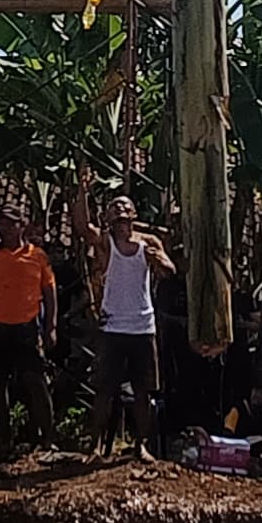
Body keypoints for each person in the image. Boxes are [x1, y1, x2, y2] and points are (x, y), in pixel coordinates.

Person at [0, 205, 58, 458]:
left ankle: (46, 438)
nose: (5, 227)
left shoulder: (37, 256)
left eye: (11, 222)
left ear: (22, 225)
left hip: (26, 326)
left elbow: (50, 293)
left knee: (35, 382)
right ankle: (4, 439)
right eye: (1, 223)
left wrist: (51, 326)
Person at [87, 193, 174, 457]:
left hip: (142, 326)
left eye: (126, 206)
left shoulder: (149, 242)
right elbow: (82, 227)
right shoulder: (105, 243)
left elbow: (170, 270)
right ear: (109, 218)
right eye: (115, 207)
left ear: (134, 214)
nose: (121, 209)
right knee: (104, 390)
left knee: (142, 392)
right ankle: (93, 446)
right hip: (112, 326)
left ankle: (141, 445)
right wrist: (81, 188)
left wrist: (157, 259)